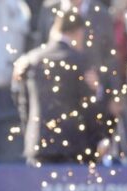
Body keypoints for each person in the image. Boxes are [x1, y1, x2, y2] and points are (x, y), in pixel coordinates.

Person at [13, 11, 106, 164]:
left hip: (38, 145)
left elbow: (22, 103)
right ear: (79, 32)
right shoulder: (80, 61)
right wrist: (98, 138)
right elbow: (89, 106)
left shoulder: (31, 60)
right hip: (73, 147)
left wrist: (30, 133)